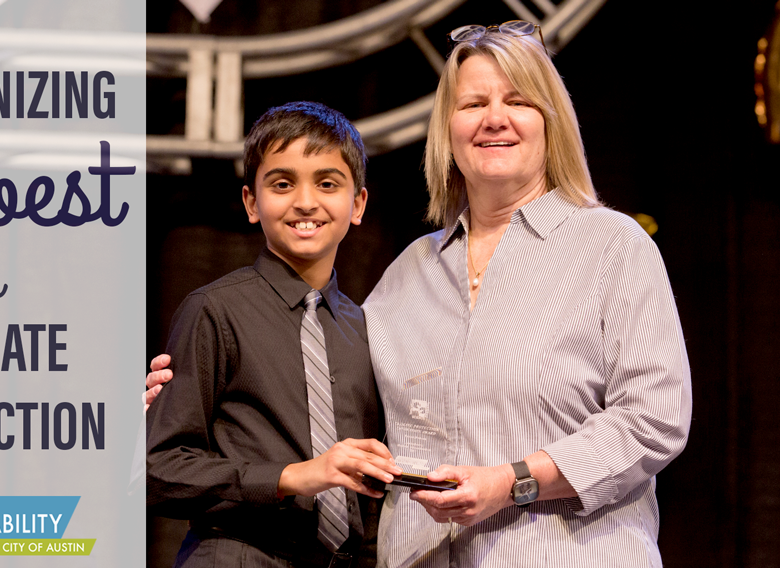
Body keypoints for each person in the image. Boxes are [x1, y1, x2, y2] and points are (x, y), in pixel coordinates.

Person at [149, 21, 691, 568]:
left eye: (518, 101)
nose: (494, 118)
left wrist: (513, 482)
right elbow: (333, 398)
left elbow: (654, 419)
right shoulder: (410, 273)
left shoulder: (610, 245)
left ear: (551, 121)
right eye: (473, 103)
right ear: (448, 129)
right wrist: (185, 391)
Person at [145, 101, 402, 568]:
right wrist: (290, 477)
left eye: (327, 183)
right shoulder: (215, 310)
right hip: (239, 553)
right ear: (251, 202)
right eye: (282, 184)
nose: (305, 201)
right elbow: (159, 469)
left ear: (358, 203)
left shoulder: (366, 330)